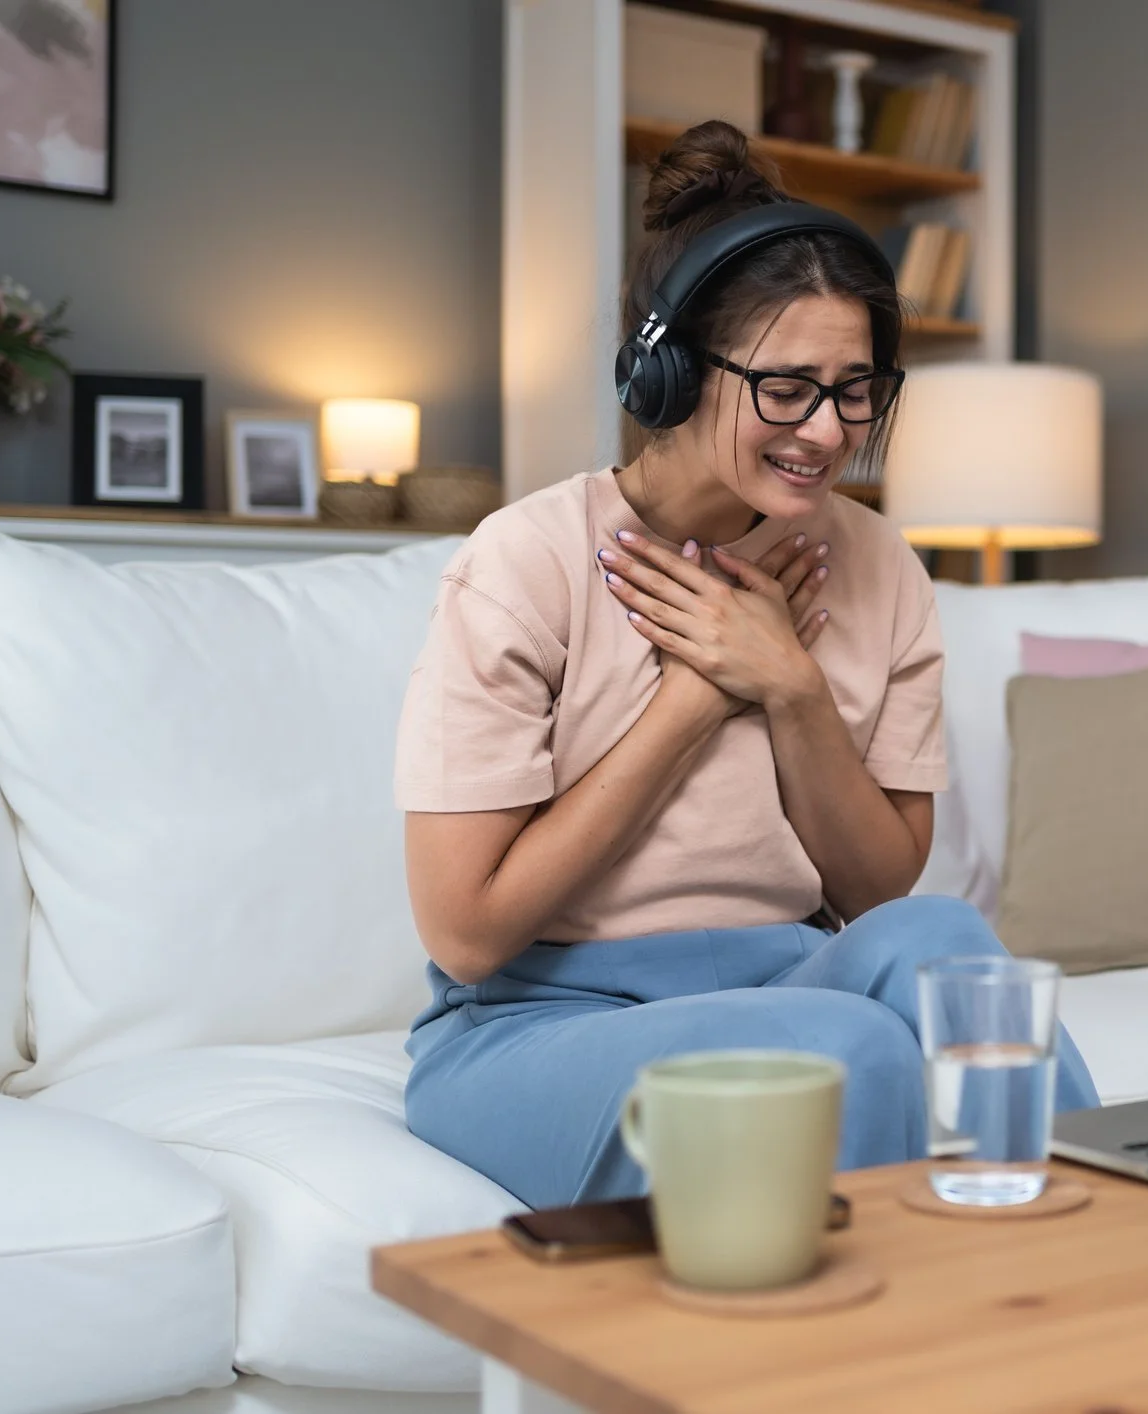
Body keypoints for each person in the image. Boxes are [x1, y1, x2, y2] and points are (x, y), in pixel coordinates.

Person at [393, 122, 1098, 1208]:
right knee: (844, 1046)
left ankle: (1126, 1293)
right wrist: (693, 695)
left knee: (948, 946)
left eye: (855, 387)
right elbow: (469, 933)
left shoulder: (878, 567)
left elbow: (875, 889)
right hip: (536, 1023)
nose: (826, 429)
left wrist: (792, 685)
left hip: (787, 968)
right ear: (668, 371)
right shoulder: (525, 560)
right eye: (786, 387)